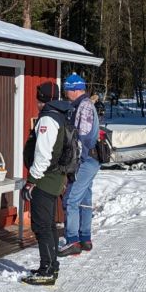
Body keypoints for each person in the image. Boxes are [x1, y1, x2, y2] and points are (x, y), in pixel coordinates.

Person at [20, 82, 72, 286]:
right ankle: (51, 264)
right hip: (54, 177)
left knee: (42, 225)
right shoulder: (61, 115)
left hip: (45, 178)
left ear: (41, 99)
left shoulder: (48, 119)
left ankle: (47, 270)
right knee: (49, 224)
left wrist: (31, 181)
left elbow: (43, 154)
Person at [58, 73, 101, 257]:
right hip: (90, 159)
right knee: (84, 199)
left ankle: (72, 240)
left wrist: (76, 160)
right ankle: (85, 238)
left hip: (85, 160)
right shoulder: (81, 105)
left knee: (71, 200)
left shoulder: (85, 106)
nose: (65, 93)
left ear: (75, 89)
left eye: (67, 89)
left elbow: (84, 137)